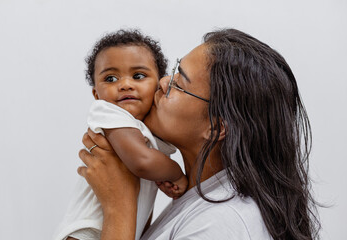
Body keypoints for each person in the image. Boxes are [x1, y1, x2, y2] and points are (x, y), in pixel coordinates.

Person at [78, 28, 321, 239]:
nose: (162, 82)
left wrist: (119, 207)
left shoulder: (219, 224)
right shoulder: (202, 201)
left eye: (178, 84)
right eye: (172, 72)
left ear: (216, 128)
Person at [54, 29, 188, 240]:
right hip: (86, 231)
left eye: (138, 76)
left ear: (159, 84)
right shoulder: (109, 113)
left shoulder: (148, 130)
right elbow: (141, 161)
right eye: (111, 78)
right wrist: (175, 172)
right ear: (96, 94)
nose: (125, 84)